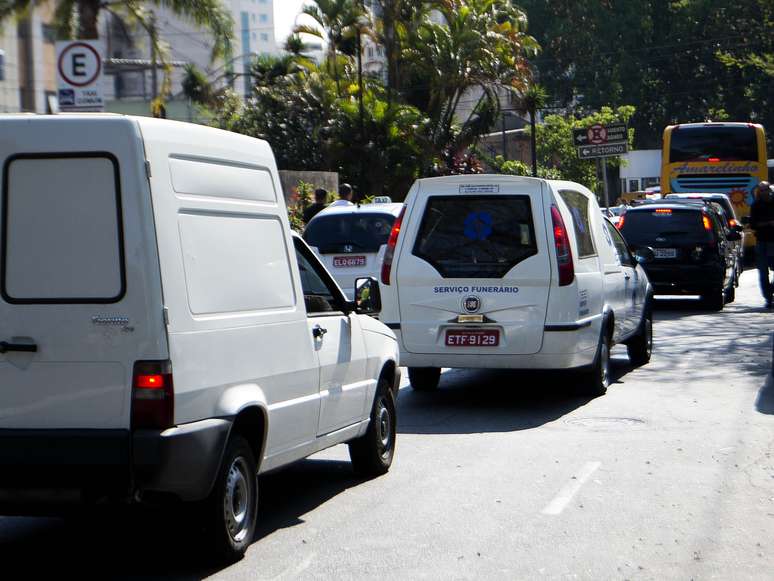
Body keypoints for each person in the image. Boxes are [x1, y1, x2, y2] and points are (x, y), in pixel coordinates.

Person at [749, 181, 774, 308]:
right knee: (763, 273)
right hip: (762, 242)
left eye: (767, 190)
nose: (765, 193)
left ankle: (772, 289)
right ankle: (768, 298)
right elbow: (753, 224)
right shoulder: (756, 206)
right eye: (762, 190)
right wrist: (768, 223)